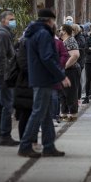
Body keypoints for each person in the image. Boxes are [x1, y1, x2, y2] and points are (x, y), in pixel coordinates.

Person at [18, 9, 71, 158]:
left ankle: (48, 146)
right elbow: (47, 58)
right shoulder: (44, 34)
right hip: (43, 79)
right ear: (49, 21)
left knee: (46, 114)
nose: (55, 24)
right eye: (54, 21)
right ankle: (25, 145)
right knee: (38, 113)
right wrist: (61, 76)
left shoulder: (33, 32)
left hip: (39, 78)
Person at [0, 10, 19, 146]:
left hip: (0, 73)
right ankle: (5, 136)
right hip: (2, 74)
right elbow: (0, 57)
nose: (13, 21)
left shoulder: (3, 33)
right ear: (3, 21)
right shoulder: (2, 35)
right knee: (8, 104)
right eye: (10, 19)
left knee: (1, 104)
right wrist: (5, 75)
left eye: (14, 19)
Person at [59, 24, 81, 122]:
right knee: (63, 93)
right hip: (65, 71)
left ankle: (73, 114)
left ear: (65, 31)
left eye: (61, 30)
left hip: (71, 70)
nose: (59, 31)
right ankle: (64, 113)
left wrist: (65, 66)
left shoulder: (71, 40)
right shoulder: (63, 41)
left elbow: (75, 55)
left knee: (71, 92)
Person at [71, 24, 86, 102]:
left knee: (77, 80)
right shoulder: (76, 37)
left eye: (72, 30)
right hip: (77, 61)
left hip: (79, 61)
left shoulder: (80, 38)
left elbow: (78, 48)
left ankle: (78, 97)